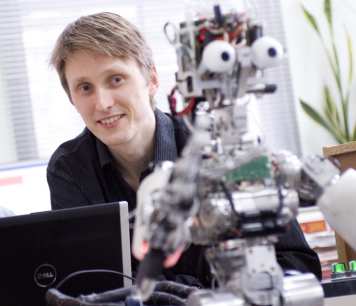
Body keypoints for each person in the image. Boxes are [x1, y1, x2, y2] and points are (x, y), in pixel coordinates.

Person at [47, 12, 322, 287]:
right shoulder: (70, 169)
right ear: (72, 98)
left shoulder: (224, 147)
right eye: (85, 88)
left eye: (116, 79)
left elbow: (298, 264)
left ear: (152, 79)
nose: (103, 102)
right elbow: (87, 287)